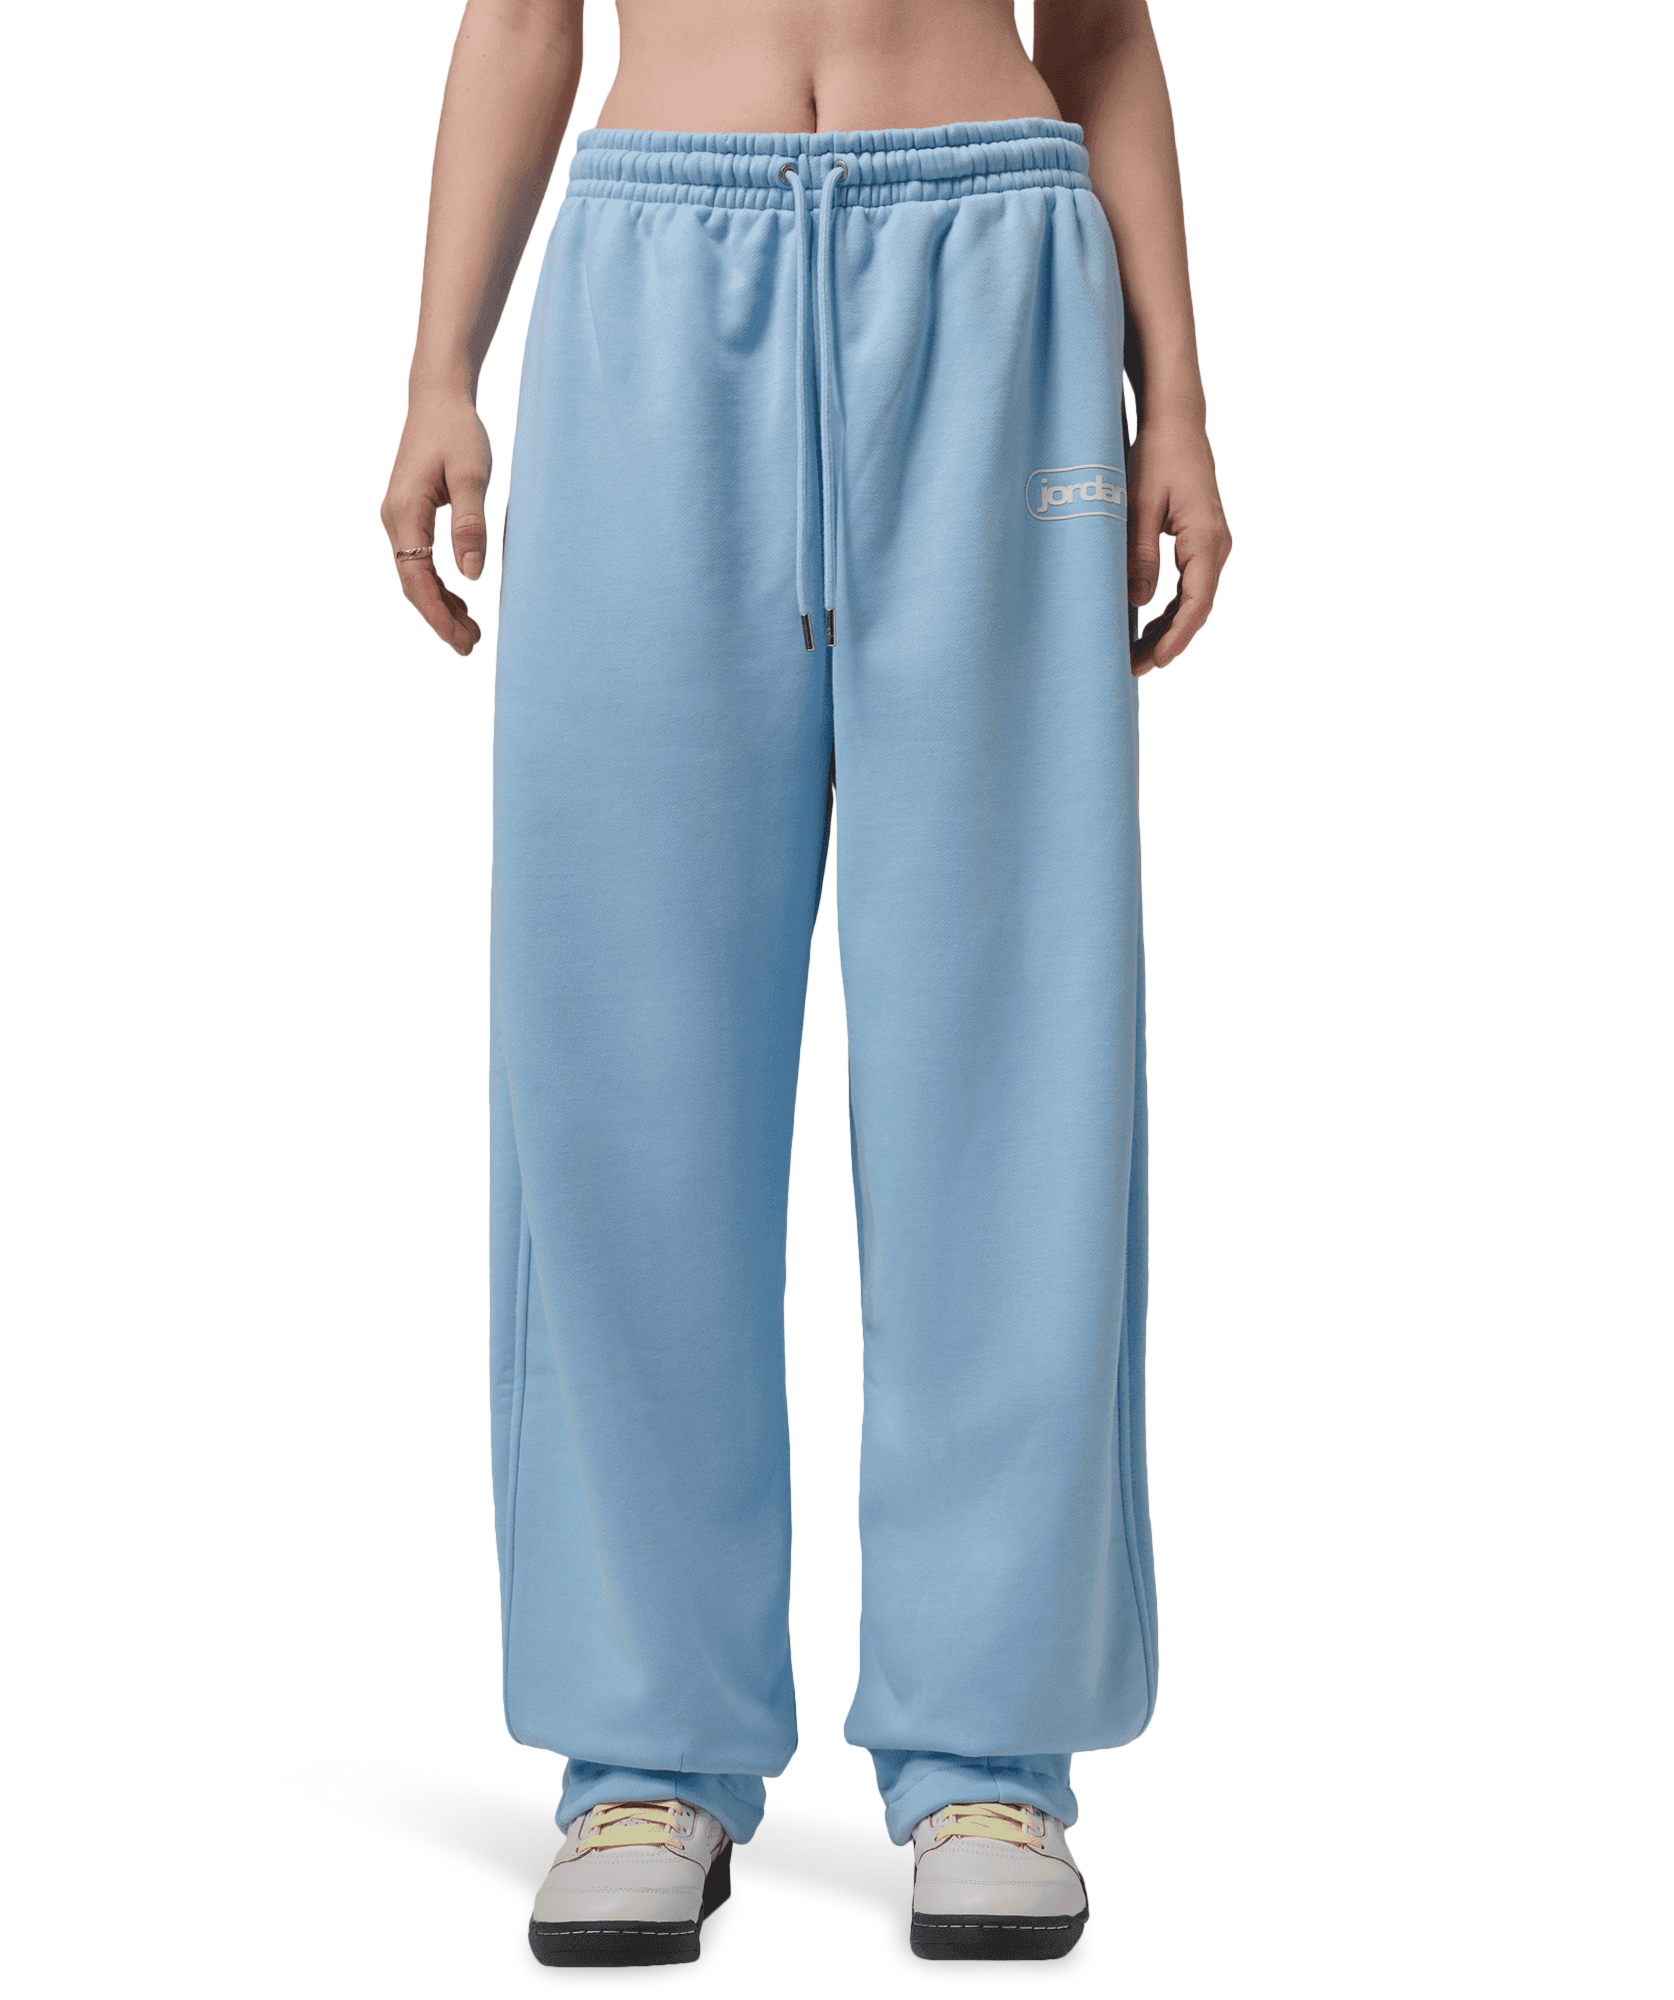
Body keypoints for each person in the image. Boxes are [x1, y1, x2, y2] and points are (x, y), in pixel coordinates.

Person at [387, 0, 1231, 1967]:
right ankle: (641, 1755)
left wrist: (1175, 395)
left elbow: (1101, 31)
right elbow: (520, 16)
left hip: (992, 274)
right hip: (650, 272)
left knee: (1008, 1044)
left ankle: (992, 1754)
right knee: (622, 1050)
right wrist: (437, 367)